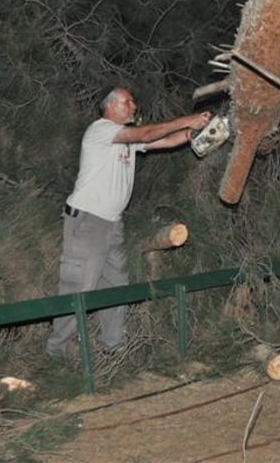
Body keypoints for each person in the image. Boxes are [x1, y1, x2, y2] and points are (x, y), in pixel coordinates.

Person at [46, 86, 210, 358]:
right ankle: (58, 350)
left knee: (116, 286)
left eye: (133, 101)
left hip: (112, 224)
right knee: (79, 287)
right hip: (88, 222)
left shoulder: (127, 139)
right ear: (110, 106)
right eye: (127, 102)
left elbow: (166, 141)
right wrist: (186, 119)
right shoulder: (100, 130)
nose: (133, 106)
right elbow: (146, 133)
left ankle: (114, 347)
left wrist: (196, 130)